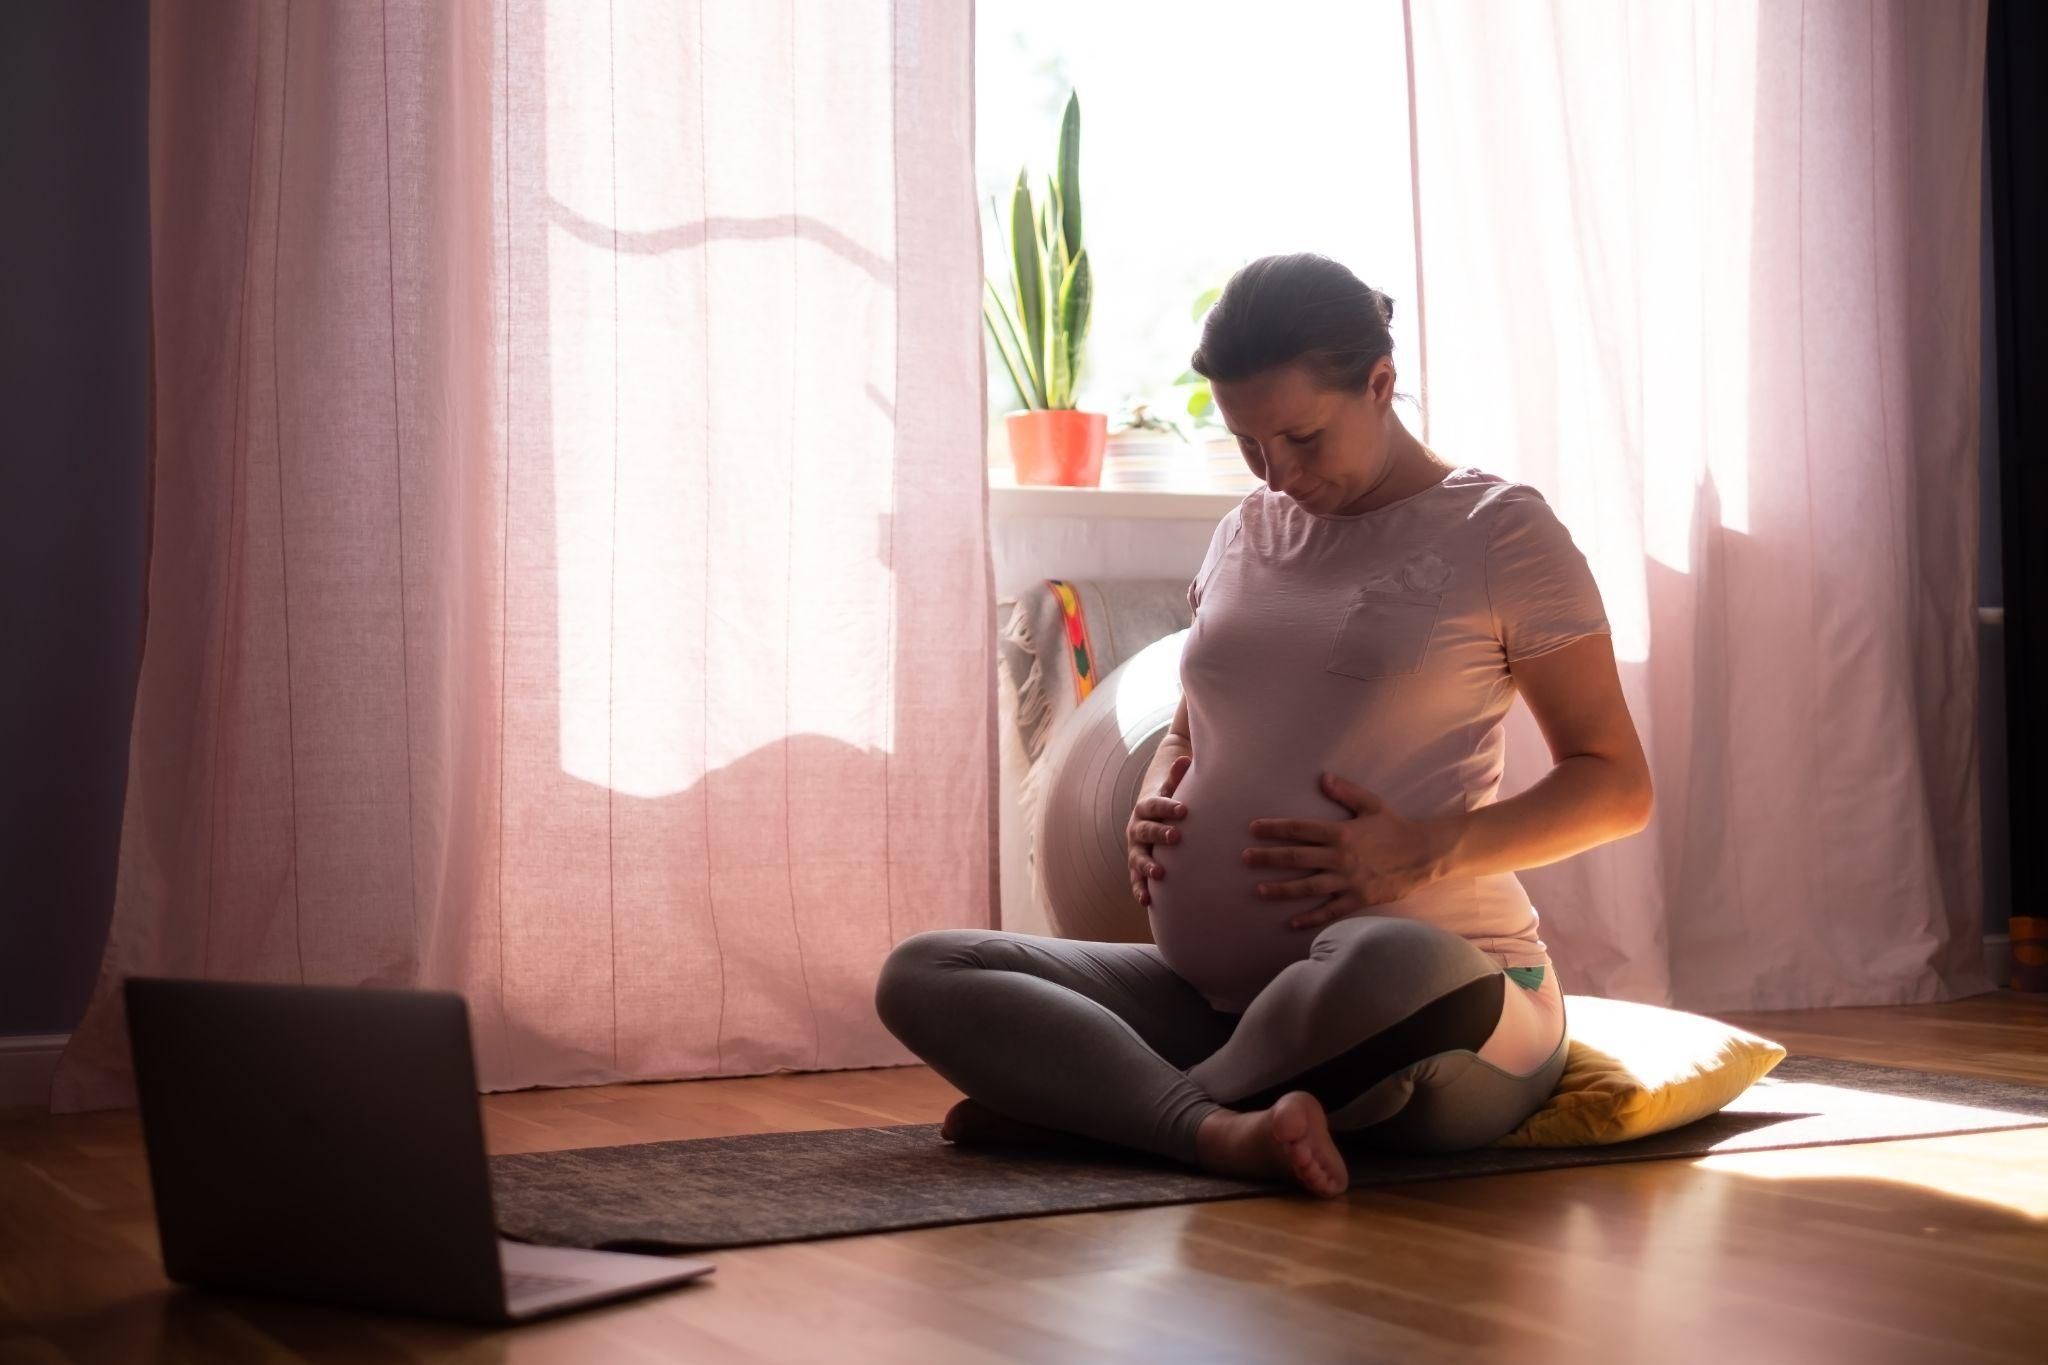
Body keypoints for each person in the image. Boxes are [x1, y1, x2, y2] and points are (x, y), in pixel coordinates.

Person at [876, 254, 1653, 1197]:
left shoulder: (1502, 532)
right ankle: (1215, 1126)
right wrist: (1163, 788)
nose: (1276, 471)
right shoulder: (1248, 529)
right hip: (1222, 1006)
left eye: (1302, 436)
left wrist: (1427, 851)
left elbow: (1616, 784)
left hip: (1444, 1004)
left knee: (1384, 958)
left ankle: (1122, 1116)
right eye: (1248, 441)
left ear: (1380, 384)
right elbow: (1202, 721)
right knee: (927, 970)